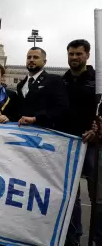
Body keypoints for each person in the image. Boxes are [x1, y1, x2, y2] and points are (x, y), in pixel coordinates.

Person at [62, 39, 102, 246]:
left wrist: (97, 130)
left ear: (87, 55)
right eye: (71, 54)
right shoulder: (63, 80)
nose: (75, 58)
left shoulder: (98, 80)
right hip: (68, 144)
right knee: (71, 195)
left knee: (97, 195)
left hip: (92, 144)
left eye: (78, 54)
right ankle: (73, 237)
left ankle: (98, 237)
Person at [16, 47, 69, 130]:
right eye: (29, 57)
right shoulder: (20, 85)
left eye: (36, 57)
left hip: (44, 131)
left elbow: (61, 107)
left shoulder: (54, 80)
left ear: (44, 62)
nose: (31, 60)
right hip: (22, 132)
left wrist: (36, 119)